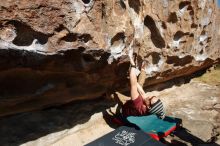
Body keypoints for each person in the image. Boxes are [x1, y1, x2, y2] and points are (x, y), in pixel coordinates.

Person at [121, 54, 165, 119]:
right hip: (134, 104)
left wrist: (133, 66)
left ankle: (108, 94)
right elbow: (142, 92)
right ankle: (142, 70)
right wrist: (142, 71)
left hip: (124, 109)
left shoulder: (138, 105)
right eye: (153, 96)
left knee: (113, 93)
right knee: (139, 84)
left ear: (148, 107)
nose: (149, 96)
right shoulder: (148, 106)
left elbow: (133, 85)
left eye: (150, 99)